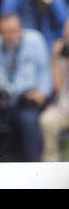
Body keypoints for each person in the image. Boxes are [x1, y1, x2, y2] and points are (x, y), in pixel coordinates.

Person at [0, 14, 52, 161]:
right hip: (2, 99)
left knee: (28, 119)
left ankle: (35, 165)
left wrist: (42, 93)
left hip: (26, 98)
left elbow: (45, 71)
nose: (9, 35)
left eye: (12, 31)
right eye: (4, 32)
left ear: (20, 29)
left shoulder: (35, 40)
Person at [40, 21, 69, 161]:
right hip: (63, 106)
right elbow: (57, 88)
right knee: (47, 120)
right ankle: (51, 165)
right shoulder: (61, 55)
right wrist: (55, 59)